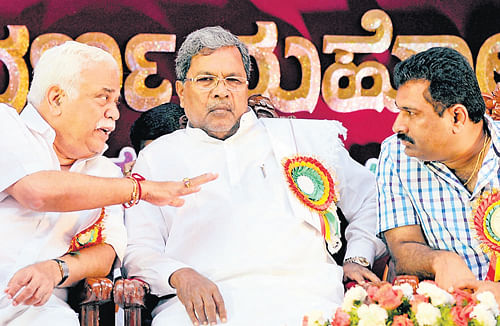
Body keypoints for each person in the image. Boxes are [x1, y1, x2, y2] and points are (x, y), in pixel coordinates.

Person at [123, 26, 386, 326]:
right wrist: (178, 275)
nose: (221, 91)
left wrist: (358, 256)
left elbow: (372, 198)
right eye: (206, 79)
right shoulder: (158, 157)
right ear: (182, 91)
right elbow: (140, 250)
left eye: (232, 80)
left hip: (307, 302)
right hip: (200, 310)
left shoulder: (302, 139)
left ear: (247, 89)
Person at [0, 41, 215, 325]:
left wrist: (56, 269)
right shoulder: (7, 126)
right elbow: (37, 192)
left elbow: (107, 252)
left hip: (38, 309)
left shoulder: (105, 173)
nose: (114, 113)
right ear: (57, 99)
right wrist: (141, 189)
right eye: (103, 98)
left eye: (115, 102)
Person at [376, 47, 500, 292]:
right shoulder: (396, 155)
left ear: (457, 117)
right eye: (400, 110)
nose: (397, 125)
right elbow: (402, 245)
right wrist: (439, 260)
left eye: (411, 113)